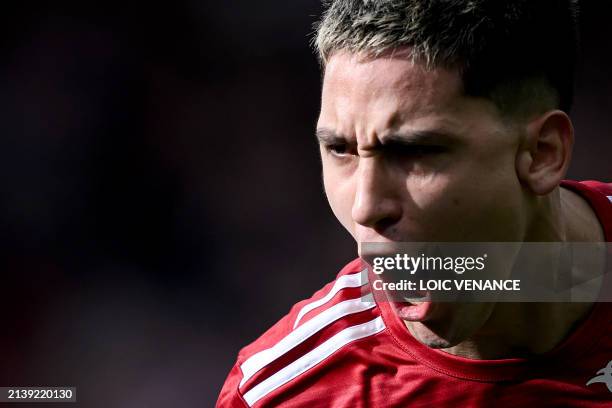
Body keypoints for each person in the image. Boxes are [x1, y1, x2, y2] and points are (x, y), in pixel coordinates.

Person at [217, 1, 612, 406]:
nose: (365, 207)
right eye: (340, 149)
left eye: (414, 152)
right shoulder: (287, 395)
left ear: (542, 153)